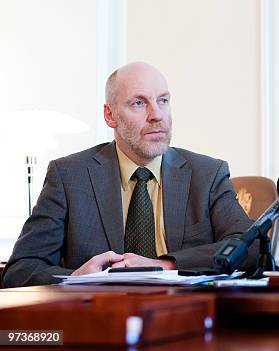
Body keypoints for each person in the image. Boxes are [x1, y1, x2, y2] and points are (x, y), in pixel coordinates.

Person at [2, 62, 256, 287]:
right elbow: (20, 270)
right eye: (139, 103)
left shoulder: (207, 174)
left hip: (184, 317)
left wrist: (165, 265)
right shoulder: (69, 176)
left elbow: (251, 246)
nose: (156, 115)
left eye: (163, 101)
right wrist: (77, 279)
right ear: (110, 115)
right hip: (99, 320)